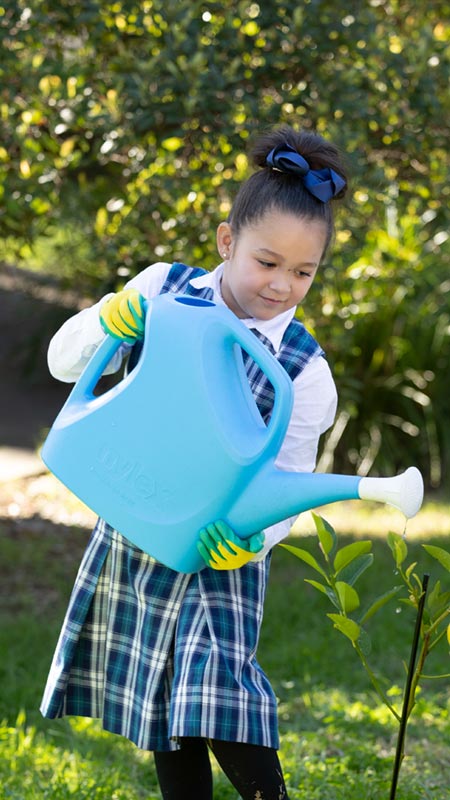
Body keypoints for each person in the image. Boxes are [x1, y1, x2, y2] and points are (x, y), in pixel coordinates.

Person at [40, 124, 348, 800]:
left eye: (303, 272)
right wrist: (109, 320)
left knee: (222, 700)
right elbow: (63, 363)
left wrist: (252, 541)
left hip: (218, 558)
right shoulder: (162, 291)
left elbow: (290, 485)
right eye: (267, 262)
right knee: (163, 711)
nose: (282, 285)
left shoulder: (305, 371)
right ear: (226, 241)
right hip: (139, 526)